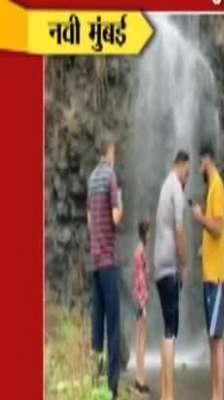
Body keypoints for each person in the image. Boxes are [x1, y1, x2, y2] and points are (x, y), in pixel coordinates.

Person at [87, 136, 123, 400]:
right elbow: (115, 217)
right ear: (109, 153)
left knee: (97, 324)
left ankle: (94, 381)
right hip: (109, 261)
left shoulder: (91, 179)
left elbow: (90, 219)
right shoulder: (110, 176)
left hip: (94, 260)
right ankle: (111, 390)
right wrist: (119, 201)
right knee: (113, 324)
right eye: (115, 152)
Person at [154, 150, 190, 400]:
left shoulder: (165, 185)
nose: (188, 178)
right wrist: (184, 263)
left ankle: (168, 393)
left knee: (167, 330)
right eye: (187, 172)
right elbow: (179, 230)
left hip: (159, 266)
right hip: (169, 267)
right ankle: (169, 396)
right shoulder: (176, 188)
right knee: (171, 332)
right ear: (181, 166)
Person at [191, 144, 224, 400]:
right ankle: (215, 393)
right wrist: (203, 248)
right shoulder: (211, 187)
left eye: (200, 164)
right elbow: (213, 235)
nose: (198, 169)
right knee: (212, 338)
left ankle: (219, 395)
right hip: (209, 273)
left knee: (217, 339)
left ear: (208, 160)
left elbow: (218, 228)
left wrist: (199, 217)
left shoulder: (218, 187)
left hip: (216, 276)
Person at [133, 219, 151, 395]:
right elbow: (140, 278)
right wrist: (143, 303)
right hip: (141, 301)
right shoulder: (140, 251)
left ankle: (139, 379)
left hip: (140, 300)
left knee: (140, 340)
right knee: (141, 341)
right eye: (149, 231)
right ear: (145, 233)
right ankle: (140, 380)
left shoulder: (139, 249)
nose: (151, 235)